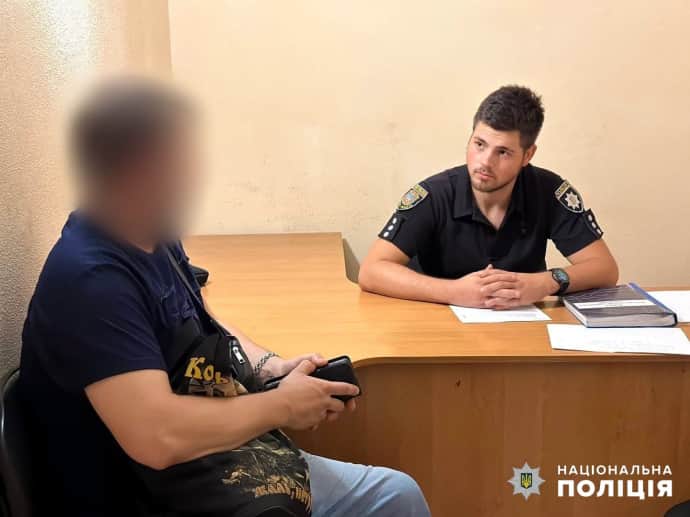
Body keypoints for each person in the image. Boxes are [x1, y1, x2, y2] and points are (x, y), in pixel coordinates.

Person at [19, 78, 430, 517]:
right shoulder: (92, 281)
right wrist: (281, 406)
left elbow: (201, 320)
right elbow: (158, 438)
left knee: (397, 496)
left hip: (209, 463)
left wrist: (269, 366)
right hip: (150, 489)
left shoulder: (152, 234)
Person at [359, 85, 618, 307]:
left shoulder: (548, 191)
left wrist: (546, 283)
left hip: (520, 330)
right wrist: (453, 292)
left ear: (528, 155)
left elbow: (605, 269)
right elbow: (371, 271)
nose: (484, 162)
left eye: (502, 152)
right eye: (479, 144)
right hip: (436, 328)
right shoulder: (434, 194)